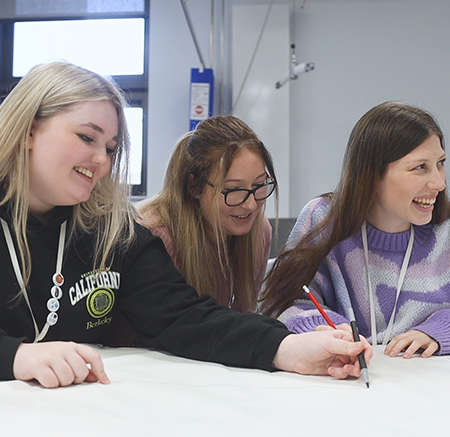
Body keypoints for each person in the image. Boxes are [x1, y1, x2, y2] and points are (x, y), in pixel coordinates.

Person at [0, 61, 371, 388]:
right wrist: (16, 356)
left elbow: (184, 316)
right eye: (86, 137)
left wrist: (286, 347)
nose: (101, 160)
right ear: (30, 130)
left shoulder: (114, 233)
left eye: (112, 148)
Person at [262, 102, 450, 359]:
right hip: (342, 380)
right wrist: (329, 331)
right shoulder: (322, 218)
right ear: (372, 174)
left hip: (427, 383)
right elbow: (286, 302)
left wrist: (439, 331)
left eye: (440, 163)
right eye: (420, 167)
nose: (439, 183)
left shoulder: (445, 231)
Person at [138, 115, 275, 312]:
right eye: (233, 190)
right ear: (195, 186)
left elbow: (244, 316)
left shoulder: (259, 231)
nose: (251, 205)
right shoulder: (155, 237)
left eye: (259, 185)